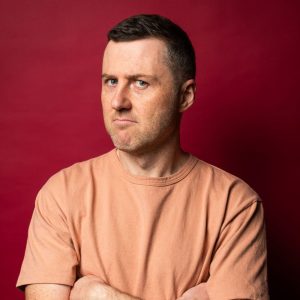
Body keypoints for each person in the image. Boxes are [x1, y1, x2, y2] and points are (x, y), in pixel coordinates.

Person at [17, 14, 269, 300]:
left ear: (185, 95)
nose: (118, 101)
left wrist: (99, 296)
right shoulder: (60, 195)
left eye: (140, 83)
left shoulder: (235, 205)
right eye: (111, 81)